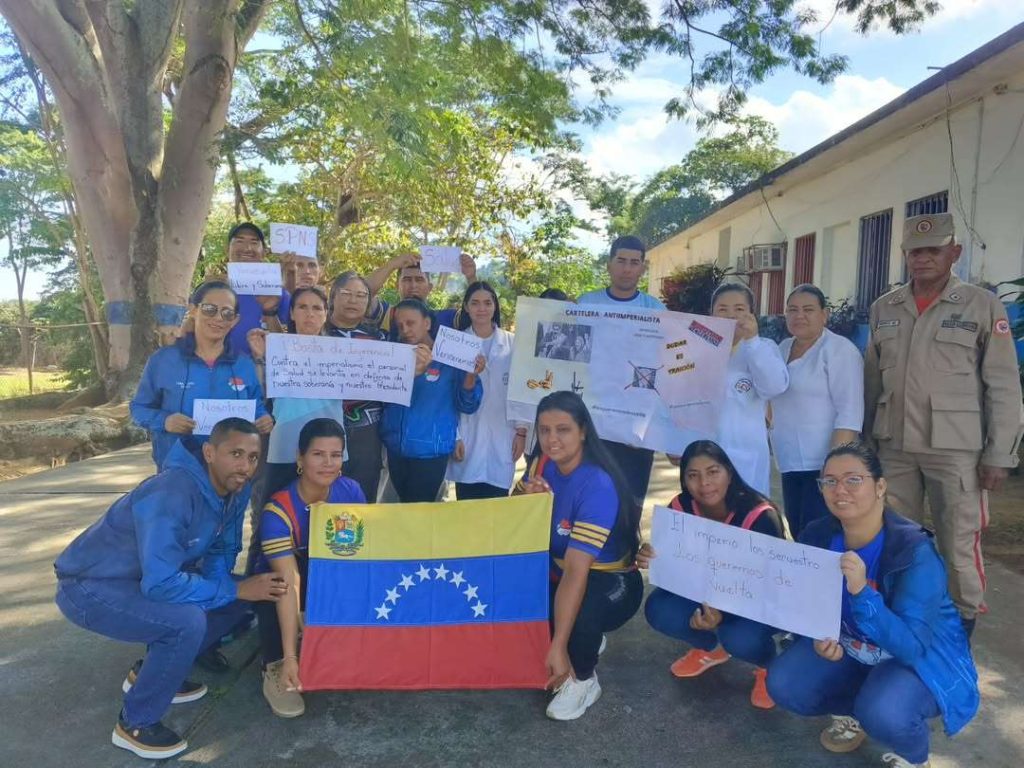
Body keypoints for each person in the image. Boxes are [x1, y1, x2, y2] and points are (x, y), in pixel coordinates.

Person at [53, 419, 289, 760]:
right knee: (187, 621)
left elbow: (221, 553)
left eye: (253, 457)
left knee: (245, 599)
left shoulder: (234, 489)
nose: (245, 466)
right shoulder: (171, 491)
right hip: (91, 585)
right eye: (235, 454)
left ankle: (152, 670)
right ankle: (135, 722)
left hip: (143, 580)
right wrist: (234, 590)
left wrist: (234, 592)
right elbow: (162, 583)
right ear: (209, 452)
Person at [767, 442, 979, 768]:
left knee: (885, 711)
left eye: (854, 479)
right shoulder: (817, 536)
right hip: (854, 646)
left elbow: (911, 646)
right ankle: (858, 712)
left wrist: (863, 592)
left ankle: (914, 755)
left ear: (880, 486)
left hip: (921, 658)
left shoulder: (915, 551)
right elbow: (805, 603)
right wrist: (818, 639)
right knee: (785, 683)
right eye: (830, 481)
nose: (840, 490)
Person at [864, 213, 1023, 636]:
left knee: (957, 545)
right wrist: (864, 447)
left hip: (956, 451)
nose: (922, 259)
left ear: (954, 253)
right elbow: (871, 383)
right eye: (914, 251)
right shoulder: (885, 307)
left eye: (932, 250)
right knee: (895, 541)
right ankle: (902, 628)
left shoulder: (981, 305)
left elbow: (1003, 384)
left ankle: (958, 636)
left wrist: (1000, 453)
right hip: (893, 447)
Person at [515, 391, 643, 721]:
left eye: (563, 429)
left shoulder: (597, 484)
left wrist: (558, 646)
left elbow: (576, 574)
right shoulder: (543, 464)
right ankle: (576, 641)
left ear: (583, 430)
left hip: (611, 580)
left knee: (580, 613)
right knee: (514, 592)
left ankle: (583, 679)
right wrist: (528, 498)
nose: (551, 439)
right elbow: (512, 513)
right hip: (559, 570)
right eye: (544, 430)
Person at [639, 440, 785, 709]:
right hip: (703, 593)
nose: (703, 483)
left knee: (739, 637)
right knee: (659, 609)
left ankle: (767, 665)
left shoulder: (761, 516)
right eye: (693, 475)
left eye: (713, 472)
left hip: (755, 606)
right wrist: (651, 555)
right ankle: (710, 647)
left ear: (729, 472)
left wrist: (723, 614)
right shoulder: (680, 507)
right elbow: (673, 561)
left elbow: (772, 588)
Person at [253, 418, 366, 718]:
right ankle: (276, 666)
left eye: (335, 454)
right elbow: (290, 581)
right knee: (274, 587)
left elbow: (361, 560)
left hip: (327, 577)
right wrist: (291, 657)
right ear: (300, 458)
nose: (328, 463)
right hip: (285, 583)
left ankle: (319, 631)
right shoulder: (277, 511)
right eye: (318, 454)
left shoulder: (351, 491)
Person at [131, 280, 273, 470]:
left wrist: (264, 419)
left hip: (232, 475)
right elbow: (139, 408)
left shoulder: (243, 364)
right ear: (193, 310)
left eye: (227, 313)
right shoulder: (163, 360)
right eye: (209, 309)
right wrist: (165, 421)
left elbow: (256, 407)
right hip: (177, 472)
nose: (218, 318)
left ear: (235, 320)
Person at [771, 284, 864, 537]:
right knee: (799, 530)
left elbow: (850, 412)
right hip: (789, 461)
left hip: (823, 465)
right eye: (792, 310)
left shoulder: (839, 350)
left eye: (808, 309)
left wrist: (835, 469)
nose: (799, 315)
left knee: (821, 536)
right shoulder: (781, 349)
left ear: (824, 314)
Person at [247, 285, 342, 510]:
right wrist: (260, 357)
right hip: (285, 440)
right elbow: (259, 390)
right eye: (302, 307)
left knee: (325, 513)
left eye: (317, 308)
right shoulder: (275, 347)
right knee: (275, 509)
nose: (310, 313)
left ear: (326, 313)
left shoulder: (344, 350)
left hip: (329, 442)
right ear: (291, 313)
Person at [380, 298, 484, 502]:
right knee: (403, 511)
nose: (405, 330)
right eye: (400, 325)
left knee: (419, 514)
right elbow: (382, 397)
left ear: (427, 323)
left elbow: (468, 405)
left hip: (430, 452)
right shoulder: (393, 356)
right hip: (395, 449)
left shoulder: (452, 356)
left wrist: (471, 375)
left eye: (411, 323)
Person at [696, 282, 788, 496]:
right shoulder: (695, 348)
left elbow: (774, 387)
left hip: (747, 454)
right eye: (722, 309)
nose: (730, 316)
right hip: (703, 453)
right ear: (711, 314)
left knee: (746, 518)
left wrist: (752, 341)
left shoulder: (763, 347)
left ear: (751, 314)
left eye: (739, 309)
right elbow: (677, 397)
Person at [447, 281, 527, 499]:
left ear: (495, 306)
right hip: (467, 434)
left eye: (487, 303)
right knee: (467, 505)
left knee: (497, 506)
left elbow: (522, 391)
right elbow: (446, 394)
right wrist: (453, 436)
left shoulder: (514, 344)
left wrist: (521, 432)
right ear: (466, 307)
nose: (481, 309)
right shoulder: (455, 344)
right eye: (475, 303)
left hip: (503, 434)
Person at [325, 271, 387, 502]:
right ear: (332, 297)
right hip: (322, 427)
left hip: (367, 433)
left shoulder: (380, 339)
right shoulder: (314, 334)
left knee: (362, 497)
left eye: (361, 295)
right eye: (346, 294)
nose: (353, 300)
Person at [365, 251, 477, 339]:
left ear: (430, 288)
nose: (413, 285)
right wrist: (391, 265)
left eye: (419, 280)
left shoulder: (444, 318)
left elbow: (478, 315)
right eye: (407, 280)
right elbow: (363, 293)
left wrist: (471, 278)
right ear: (396, 285)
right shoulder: (386, 315)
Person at [224, 222, 290, 356]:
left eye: (254, 243)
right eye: (239, 241)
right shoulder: (212, 290)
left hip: (265, 372)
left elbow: (287, 345)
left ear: (264, 252)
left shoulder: (279, 294)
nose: (247, 248)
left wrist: (270, 312)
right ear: (227, 249)